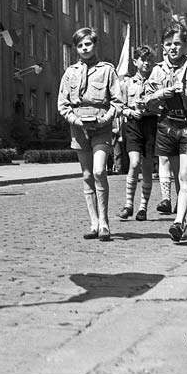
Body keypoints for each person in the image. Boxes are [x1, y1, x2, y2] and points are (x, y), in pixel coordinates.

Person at [143, 21, 187, 243]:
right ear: (163, 46)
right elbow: (146, 100)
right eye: (168, 44)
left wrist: (186, 95)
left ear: (184, 45)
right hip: (166, 126)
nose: (173, 48)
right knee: (177, 177)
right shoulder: (157, 70)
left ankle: (178, 222)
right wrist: (160, 95)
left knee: (186, 176)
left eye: (177, 43)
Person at [58, 27, 123, 240]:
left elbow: (117, 102)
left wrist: (104, 119)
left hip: (101, 127)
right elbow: (62, 104)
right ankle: (93, 223)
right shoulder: (70, 73)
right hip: (78, 128)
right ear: (76, 48)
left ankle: (105, 222)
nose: (84, 48)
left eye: (88, 44)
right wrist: (76, 120)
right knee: (86, 175)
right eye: (80, 45)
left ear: (95, 45)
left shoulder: (107, 70)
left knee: (98, 171)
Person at [119, 45, 158, 221]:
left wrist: (151, 109)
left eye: (149, 60)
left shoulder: (157, 83)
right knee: (134, 163)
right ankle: (128, 204)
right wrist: (129, 112)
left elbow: (163, 105)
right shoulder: (127, 83)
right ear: (135, 62)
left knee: (147, 166)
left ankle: (143, 207)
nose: (146, 63)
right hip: (133, 125)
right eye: (143, 60)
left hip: (150, 125)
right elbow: (119, 105)